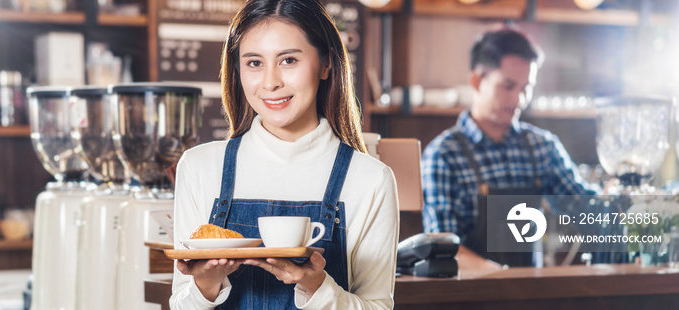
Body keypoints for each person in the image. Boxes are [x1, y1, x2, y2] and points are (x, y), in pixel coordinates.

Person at [170, 0, 399, 309]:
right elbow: (181, 304)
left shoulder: (371, 179)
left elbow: (378, 306)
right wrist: (207, 284)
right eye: (254, 63)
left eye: (288, 60)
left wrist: (316, 285)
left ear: (326, 65)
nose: (270, 82)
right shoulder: (199, 167)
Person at [421, 27, 597, 269]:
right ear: (476, 81)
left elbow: (584, 208)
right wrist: (501, 279)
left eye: (526, 88)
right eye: (508, 86)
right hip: (469, 298)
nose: (519, 99)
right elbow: (443, 249)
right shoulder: (443, 156)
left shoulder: (541, 147)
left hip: (530, 296)